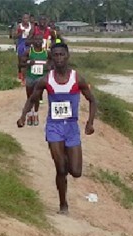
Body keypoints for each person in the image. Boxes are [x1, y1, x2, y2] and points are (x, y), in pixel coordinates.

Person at [17, 43, 96, 214]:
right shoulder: (46, 80)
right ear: (51, 58)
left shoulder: (77, 79)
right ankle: (63, 205)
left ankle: (66, 160)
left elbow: (92, 100)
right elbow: (32, 98)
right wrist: (23, 115)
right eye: (56, 55)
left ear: (68, 56)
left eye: (62, 54)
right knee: (60, 169)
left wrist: (90, 122)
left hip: (72, 127)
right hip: (54, 127)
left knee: (75, 172)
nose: (59, 58)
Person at [21, 34, 51, 125]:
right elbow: (21, 63)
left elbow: (53, 62)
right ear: (33, 41)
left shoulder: (46, 53)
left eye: (40, 40)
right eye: (36, 39)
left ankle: (36, 113)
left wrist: (48, 66)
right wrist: (28, 63)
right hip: (30, 76)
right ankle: (30, 114)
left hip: (41, 77)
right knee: (29, 96)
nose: (38, 41)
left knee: (37, 96)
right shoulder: (28, 52)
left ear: (42, 42)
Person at [15, 14, 33, 84]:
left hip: (29, 43)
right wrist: (20, 33)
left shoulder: (31, 26)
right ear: (22, 19)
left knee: (29, 60)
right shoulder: (19, 26)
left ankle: (27, 76)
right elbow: (14, 36)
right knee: (21, 61)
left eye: (27, 18)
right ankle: (20, 74)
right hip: (21, 43)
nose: (26, 20)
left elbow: (33, 34)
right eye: (24, 18)